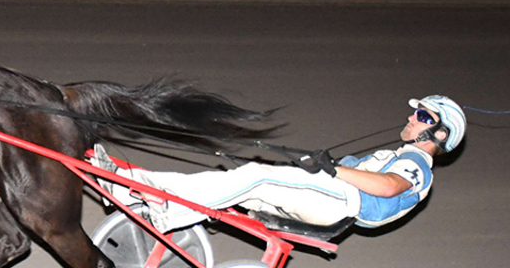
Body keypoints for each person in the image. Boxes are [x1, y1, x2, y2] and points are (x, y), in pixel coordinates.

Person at [92, 95, 466, 233]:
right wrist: (316, 166)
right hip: (334, 196)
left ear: (440, 136)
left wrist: (331, 169)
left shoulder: (417, 163)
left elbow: (387, 187)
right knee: (235, 182)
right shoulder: (399, 154)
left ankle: (155, 200)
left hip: (345, 204)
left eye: (422, 116)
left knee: (254, 175)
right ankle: (137, 186)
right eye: (416, 112)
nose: (412, 118)